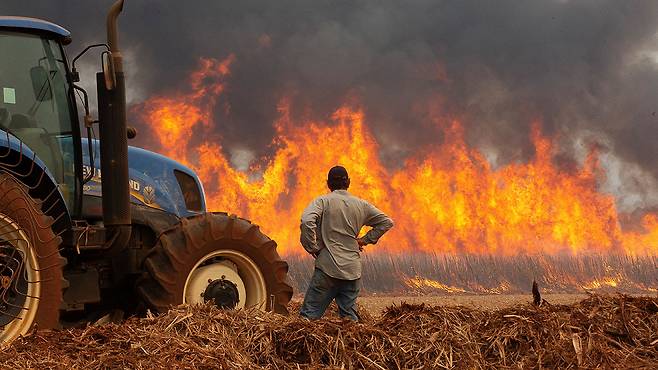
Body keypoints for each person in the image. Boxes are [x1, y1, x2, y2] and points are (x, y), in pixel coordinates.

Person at [299, 165, 394, 321]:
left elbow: (307, 220)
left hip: (327, 268)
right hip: (352, 271)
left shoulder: (322, 201)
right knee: (350, 324)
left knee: (307, 319)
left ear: (328, 184)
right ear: (348, 182)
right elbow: (386, 222)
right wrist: (364, 240)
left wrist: (313, 247)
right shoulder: (361, 205)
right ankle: (352, 346)